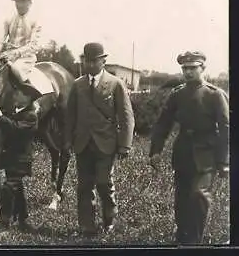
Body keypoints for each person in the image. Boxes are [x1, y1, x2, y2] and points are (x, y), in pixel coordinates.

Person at [148, 51, 229, 244]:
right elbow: (163, 124)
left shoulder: (215, 95)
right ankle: (183, 236)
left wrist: (224, 160)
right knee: (182, 199)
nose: (188, 72)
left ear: (203, 69)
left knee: (199, 195)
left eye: (193, 68)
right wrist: (156, 151)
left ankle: (194, 240)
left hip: (206, 153)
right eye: (185, 68)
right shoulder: (177, 94)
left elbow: (226, 128)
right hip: (183, 152)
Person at [64, 42, 135, 236]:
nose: (90, 64)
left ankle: (109, 220)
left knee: (104, 183)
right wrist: (68, 141)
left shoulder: (115, 83)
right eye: (87, 60)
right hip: (83, 144)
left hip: (106, 144)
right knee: (84, 186)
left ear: (103, 61)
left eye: (95, 60)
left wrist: (125, 145)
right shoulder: (78, 85)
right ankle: (86, 225)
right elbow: (70, 116)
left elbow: (126, 115)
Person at [0, 100, 40, 233]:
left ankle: (4, 225)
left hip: (21, 158)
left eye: (20, 92)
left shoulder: (31, 115)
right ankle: (22, 219)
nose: (16, 95)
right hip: (11, 157)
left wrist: (0, 117)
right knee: (17, 187)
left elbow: (14, 129)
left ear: (28, 97)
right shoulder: (16, 111)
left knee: (9, 187)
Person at [0, 0, 43, 100]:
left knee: (16, 69)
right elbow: (0, 40)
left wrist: (15, 53)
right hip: (7, 56)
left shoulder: (35, 21)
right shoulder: (8, 19)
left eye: (22, 2)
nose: (19, 5)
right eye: (17, 2)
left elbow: (34, 45)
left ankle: (29, 97)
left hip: (26, 57)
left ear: (29, 4)